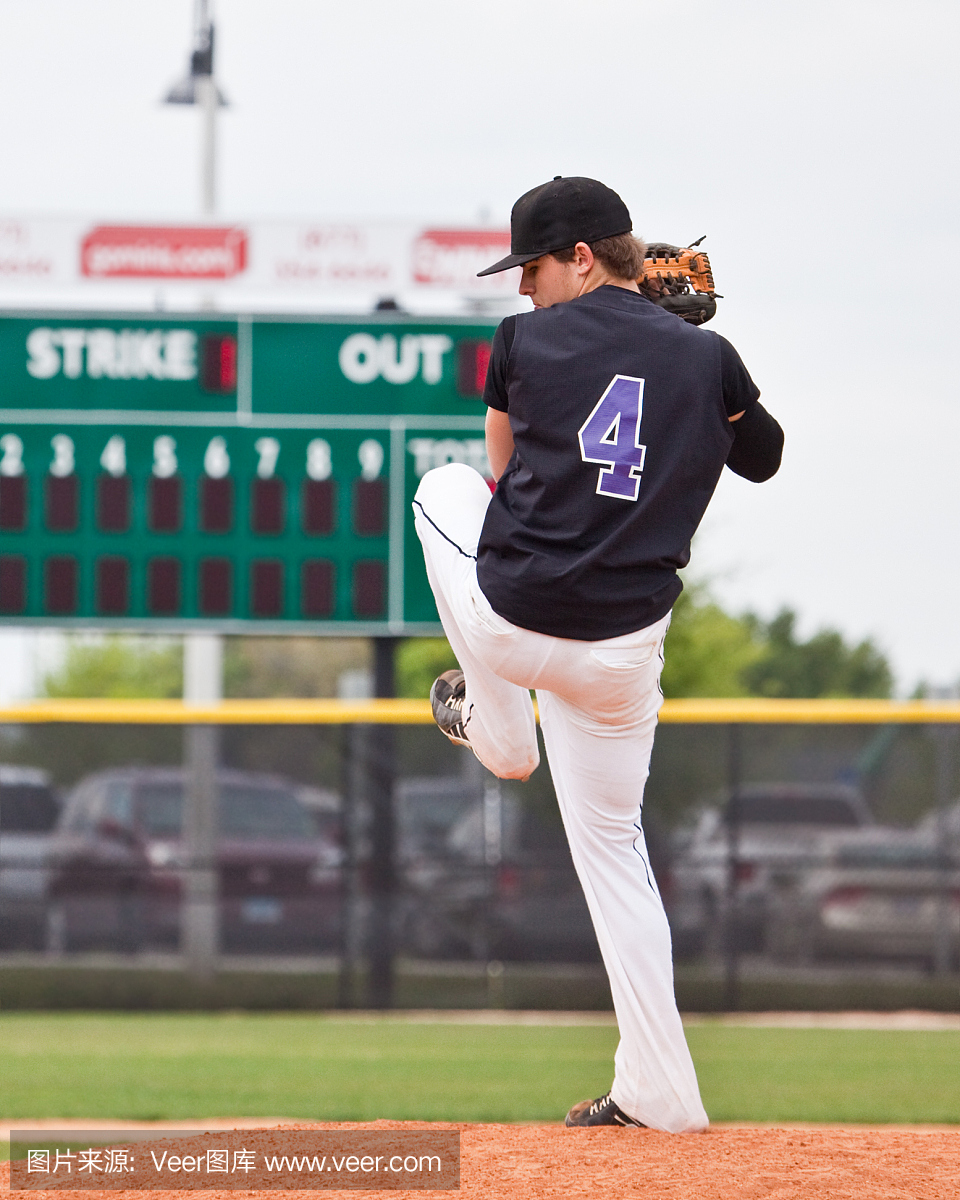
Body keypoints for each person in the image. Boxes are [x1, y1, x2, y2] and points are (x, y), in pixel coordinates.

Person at [412, 176, 783, 1133]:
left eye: (531, 268)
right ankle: (665, 1096)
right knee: (617, 853)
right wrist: (701, 366)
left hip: (516, 621)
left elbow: (500, 476)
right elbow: (765, 456)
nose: (522, 290)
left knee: (442, 491)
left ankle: (498, 733)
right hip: (621, 657)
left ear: (582, 255)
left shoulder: (523, 343)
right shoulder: (708, 356)